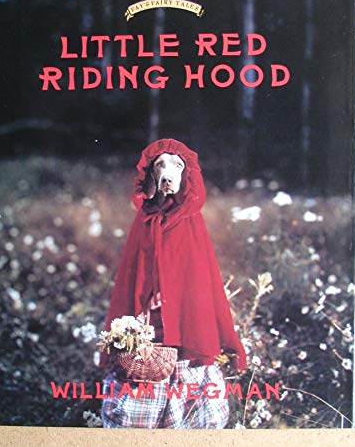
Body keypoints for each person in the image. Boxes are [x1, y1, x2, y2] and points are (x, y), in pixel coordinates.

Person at [99, 138, 247, 428]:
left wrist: (171, 295)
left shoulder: (192, 222)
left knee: (189, 374)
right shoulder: (144, 220)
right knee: (144, 370)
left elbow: (198, 279)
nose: (167, 174)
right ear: (151, 176)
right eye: (160, 166)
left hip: (185, 322)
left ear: (186, 175)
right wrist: (149, 296)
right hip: (150, 327)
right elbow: (134, 275)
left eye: (177, 166)